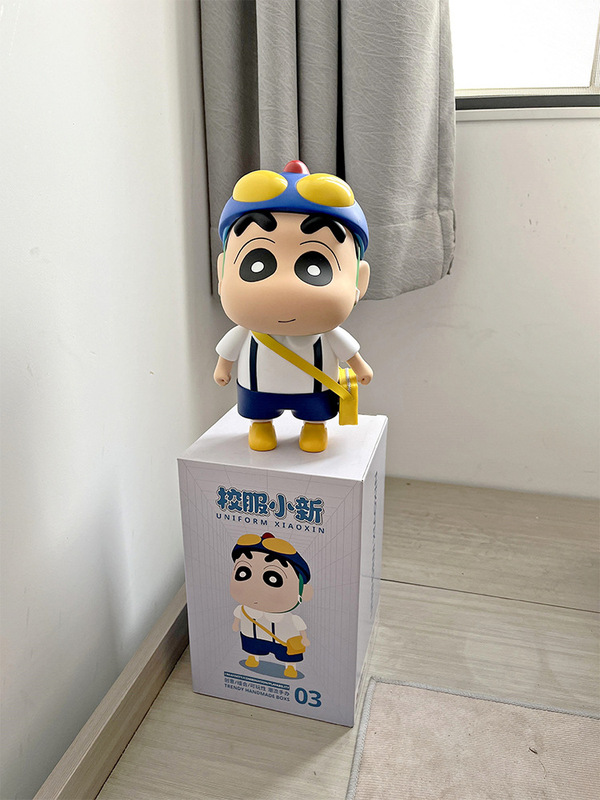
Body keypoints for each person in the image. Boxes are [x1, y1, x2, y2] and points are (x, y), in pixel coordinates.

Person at [214, 160, 373, 452]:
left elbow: (349, 352)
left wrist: (359, 367)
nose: (284, 287)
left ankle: (314, 428)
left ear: (358, 282)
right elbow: (228, 352)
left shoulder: (329, 334)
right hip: (258, 387)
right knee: (259, 409)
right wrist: (223, 368)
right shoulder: (246, 332)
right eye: (257, 264)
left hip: (314, 389)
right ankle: (260, 425)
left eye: (315, 267)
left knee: (315, 411)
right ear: (222, 274)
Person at [230, 532, 313, 679]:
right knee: (252, 647)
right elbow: (238, 616)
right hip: (252, 635)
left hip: (282, 639)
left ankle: (290, 667)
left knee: (287, 654)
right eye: (243, 573)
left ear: (304, 592)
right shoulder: (244, 610)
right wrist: (236, 624)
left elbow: (300, 627)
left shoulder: (289, 618)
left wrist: (304, 638)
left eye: (273, 578)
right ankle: (253, 657)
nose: (255, 589)